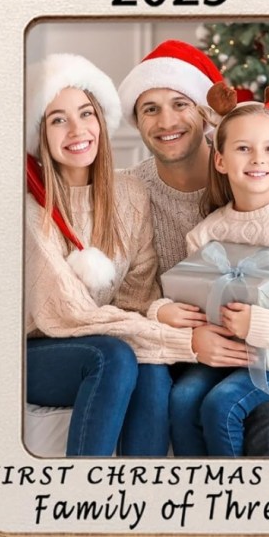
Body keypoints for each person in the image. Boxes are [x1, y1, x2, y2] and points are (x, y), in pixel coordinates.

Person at [117, 41, 269, 455]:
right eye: (150, 108)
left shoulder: (256, 185)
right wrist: (177, 327)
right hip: (186, 344)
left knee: (264, 410)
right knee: (186, 398)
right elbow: (127, 298)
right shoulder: (129, 193)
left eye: (180, 103)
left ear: (204, 114)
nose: (167, 121)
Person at [24, 52, 197, 457]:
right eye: (57, 119)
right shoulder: (32, 210)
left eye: (86, 113)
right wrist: (187, 342)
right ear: (39, 133)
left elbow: (137, 300)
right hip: (39, 350)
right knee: (115, 356)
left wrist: (161, 330)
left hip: (104, 339)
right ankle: (84, 502)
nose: (77, 129)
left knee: (153, 367)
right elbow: (68, 315)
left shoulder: (130, 196)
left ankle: (143, 502)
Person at [164, 74, 269, 457]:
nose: (259, 159)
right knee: (182, 398)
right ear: (220, 159)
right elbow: (188, 298)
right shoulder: (206, 234)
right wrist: (168, 315)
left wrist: (261, 325)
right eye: (244, 148)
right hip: (230, 352)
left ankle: (232, 506)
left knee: (222, 404)